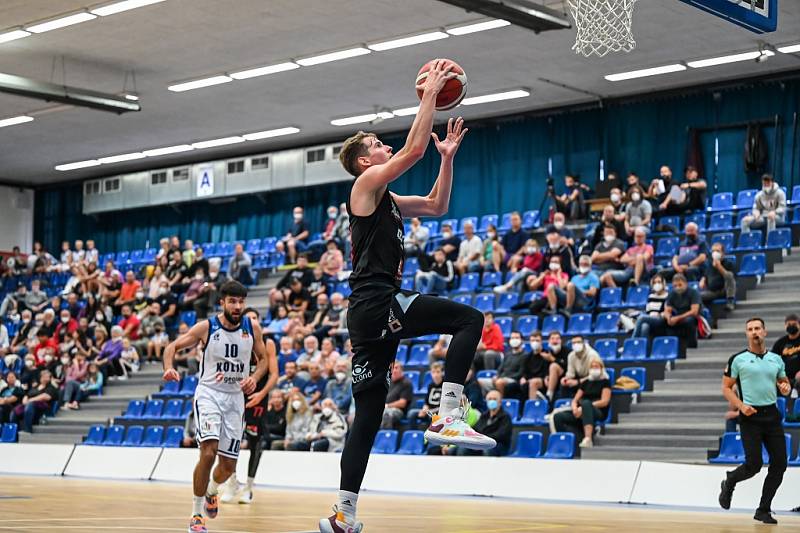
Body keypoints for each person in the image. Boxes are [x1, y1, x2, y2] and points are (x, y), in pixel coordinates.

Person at [323, 63, 494, 533]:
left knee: (369, 417)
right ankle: (447, 415)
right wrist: (431, 94)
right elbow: (414, 147)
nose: (385, 146)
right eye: (378, 145)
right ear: (364, 162)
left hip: (367, 316)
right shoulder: (363, 187)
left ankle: (343, 514)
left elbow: (438, 205)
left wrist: (448, 158)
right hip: (377, 303)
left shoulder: (391, 201)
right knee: (469, 319)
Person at [161, 281, 269, 533]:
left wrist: (254, 376)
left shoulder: (252, 327)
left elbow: (263, 359)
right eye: (232, 301)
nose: (237, 306)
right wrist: (169, 366)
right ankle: (196, 514)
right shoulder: (207, 327)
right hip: (209, 395)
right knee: (208, 452)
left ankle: (212, 490)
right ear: (222, 302)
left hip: (234, 400)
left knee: (228, 467)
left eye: (241, 302)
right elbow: (172, 347)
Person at [719, 317, 791, 524]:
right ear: (747, 334)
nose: (754, 332)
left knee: (780, 464)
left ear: (765, 332)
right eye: (750, 329)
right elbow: (726, 388)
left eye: (757, 328)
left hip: (772, 416)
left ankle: (763, 509)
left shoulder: (776, 359)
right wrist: (741, 406)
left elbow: (783, 382)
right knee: (754, 465)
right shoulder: (738, 359)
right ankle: (730, 480)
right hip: (750, 416)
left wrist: (784, 387)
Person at [220, 308, 278, 505]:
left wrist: (262, 394)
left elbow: (274, 374)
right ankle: (232, 482)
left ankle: (249, 488)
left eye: (255, 318)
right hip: (237, 396)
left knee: (255, 443)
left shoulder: (268, 343)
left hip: (259, 398)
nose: (252, 321)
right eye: (249, 318)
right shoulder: (237, 341)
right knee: (229, 441)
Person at [553, 356, 612, 448]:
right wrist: (575, 408)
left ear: (601, 368)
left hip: (598, 412)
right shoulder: (586, 382)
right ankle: (565, 442)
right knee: (558, 417)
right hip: (581, 411)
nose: (594, 369)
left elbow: (605, 401)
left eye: (596, 367)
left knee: (586, 403)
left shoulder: (605, 382)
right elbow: (575, 400)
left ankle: (588, 439)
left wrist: (584, 407)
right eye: (592, 367)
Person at [455, 390, 512, 456]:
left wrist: (483, 437)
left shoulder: (505, 417)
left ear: (500, 402)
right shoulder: (484, 416)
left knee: (488, 450)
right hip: (482, 443)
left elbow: (501, 435)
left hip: (497, 445)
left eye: (494, 399)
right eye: (490, 399)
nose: (492, 401)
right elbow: (475, 429)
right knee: (462, 449)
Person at [478, 331, 527, 396]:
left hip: (513, 380)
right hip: (501, 378)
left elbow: (521, 373)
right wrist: (496, 376)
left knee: (499, 382)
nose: (514, 340)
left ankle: (500, 402)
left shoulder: (525, 356)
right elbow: (500, 368)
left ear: (522, 340)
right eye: (512, 338)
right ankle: (487, 401)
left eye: (517, 338)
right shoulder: (508, 354)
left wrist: (502, 378)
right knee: (479, 381)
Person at [663, 273, 701, 353]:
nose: (678, 288)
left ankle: (692, 347)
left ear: (686, 283)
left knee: (689, 321)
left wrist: (677, 318)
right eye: (675, 286)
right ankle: (671, 349)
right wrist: (668, 318)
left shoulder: (694, 292)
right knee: (666, 322)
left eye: (680, 285)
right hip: (677, 316)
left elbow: (694, 311)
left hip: (691, 316)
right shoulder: (672, 293)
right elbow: (667, 310)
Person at [699, 242, 737, 311]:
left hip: (724, 290)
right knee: (697, 296)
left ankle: (730, 301)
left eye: (717, 251)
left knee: (729, 275)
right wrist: (703, 279)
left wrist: (719, 267)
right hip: (712, 291)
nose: (715, 253)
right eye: (713, 251)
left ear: (723, 253)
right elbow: (705, 274)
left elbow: (730, 278)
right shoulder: (709, 264)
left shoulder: (729, 263)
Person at [632, 274, 670, 338]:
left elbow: (667, 311)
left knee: (641, 318)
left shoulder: (668, 296)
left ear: (663, 284)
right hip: (650, 318)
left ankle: (632, 341)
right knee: (645, 326)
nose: (657, 284)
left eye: (659, 282)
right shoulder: (651, 296)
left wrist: (660, 314)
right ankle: (643, 347)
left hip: (660, 319)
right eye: (654, 282)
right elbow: (648, 311)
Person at [771, 314, 800, 395]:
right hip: (785, 375)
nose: (791, 326)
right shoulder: (781, 342)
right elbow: (772, 359)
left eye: (794, 324)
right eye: (789, 325)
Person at [410, 361, 443, 429]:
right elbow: (426, 402)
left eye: (438, 372)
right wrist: (424, 410)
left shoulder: (445, 385)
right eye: (433, 372)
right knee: (411, 413)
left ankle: (428, 437)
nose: (435, 375)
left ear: (442, 373)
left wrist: (429, 412)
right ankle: (415, 433)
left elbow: (444, 406)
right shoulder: (430, 386)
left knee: (431, 416)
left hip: (439, 412)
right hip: (429, 411)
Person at [380, 361, 414, 429]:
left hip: (398, 411)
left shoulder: (406, 383)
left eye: (396, 368)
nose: (394, 370)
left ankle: (386, 438)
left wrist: (387, 406)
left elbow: (402, 403)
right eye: (393, 368)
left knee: (386, 414)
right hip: (385, 408)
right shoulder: (388, 382)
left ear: (401, 370)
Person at [520, 331, 548, 402]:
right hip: (529, 380)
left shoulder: (546, 355)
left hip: (541, 380)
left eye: (537, 340)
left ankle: (532, 406)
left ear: (541, 341)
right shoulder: (527, 357)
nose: (535, 342)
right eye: (532, 340)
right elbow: (524, 371)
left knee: (533, 382)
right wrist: (523, 378)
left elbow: (546, 372)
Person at [543, 331, 568, 402]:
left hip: (565, 375)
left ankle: (549, 395)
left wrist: (553, 359)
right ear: (549, 341)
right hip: (552, 377)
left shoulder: (567, 351)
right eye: (552, 339)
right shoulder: (547, 352)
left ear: (561, 341)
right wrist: (546, 376)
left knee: (553, 366)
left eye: (557, 339)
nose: (555, 341)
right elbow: (545, 368)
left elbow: (567, 366)